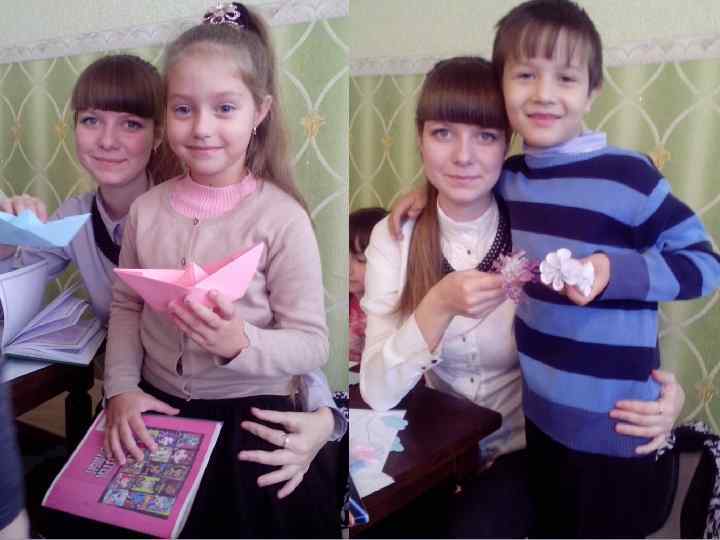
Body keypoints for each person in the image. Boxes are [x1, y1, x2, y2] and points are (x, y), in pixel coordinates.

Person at [385, 1, 720, 536]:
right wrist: (422, 193)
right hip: (540, 426)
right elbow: (463, 184)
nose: (543, 93)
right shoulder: (511, 178)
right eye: (525, 76)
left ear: (592, 91)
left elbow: (704, 265)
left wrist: (615, 271)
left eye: (565, 78)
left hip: (620, 430)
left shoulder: (628, 177)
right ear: (502, 88)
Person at [0, 53, 344, 515]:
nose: (107, 140)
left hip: (243, 399)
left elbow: (294, 336)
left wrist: (326, 418)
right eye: (90, 120)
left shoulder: (221, 205)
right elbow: (24, 280)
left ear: (158, 131)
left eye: (131, 123)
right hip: (147, 395)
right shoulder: (78, 216)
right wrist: (9, 238)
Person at [103, 4, 340, 537]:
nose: (202, 128)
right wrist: (119, 389)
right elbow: (126, 305)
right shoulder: (146, 210)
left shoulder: (282, 218)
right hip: (157, 407)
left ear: (260, 112)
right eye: (183, 109)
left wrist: (241, 343)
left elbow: (312, 345)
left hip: (251, 420)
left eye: (225, 108)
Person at [349, 207, 387, 364]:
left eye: (361, 260)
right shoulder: (339, 303)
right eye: (343, 257)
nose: (348, 269)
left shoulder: (390, 309)